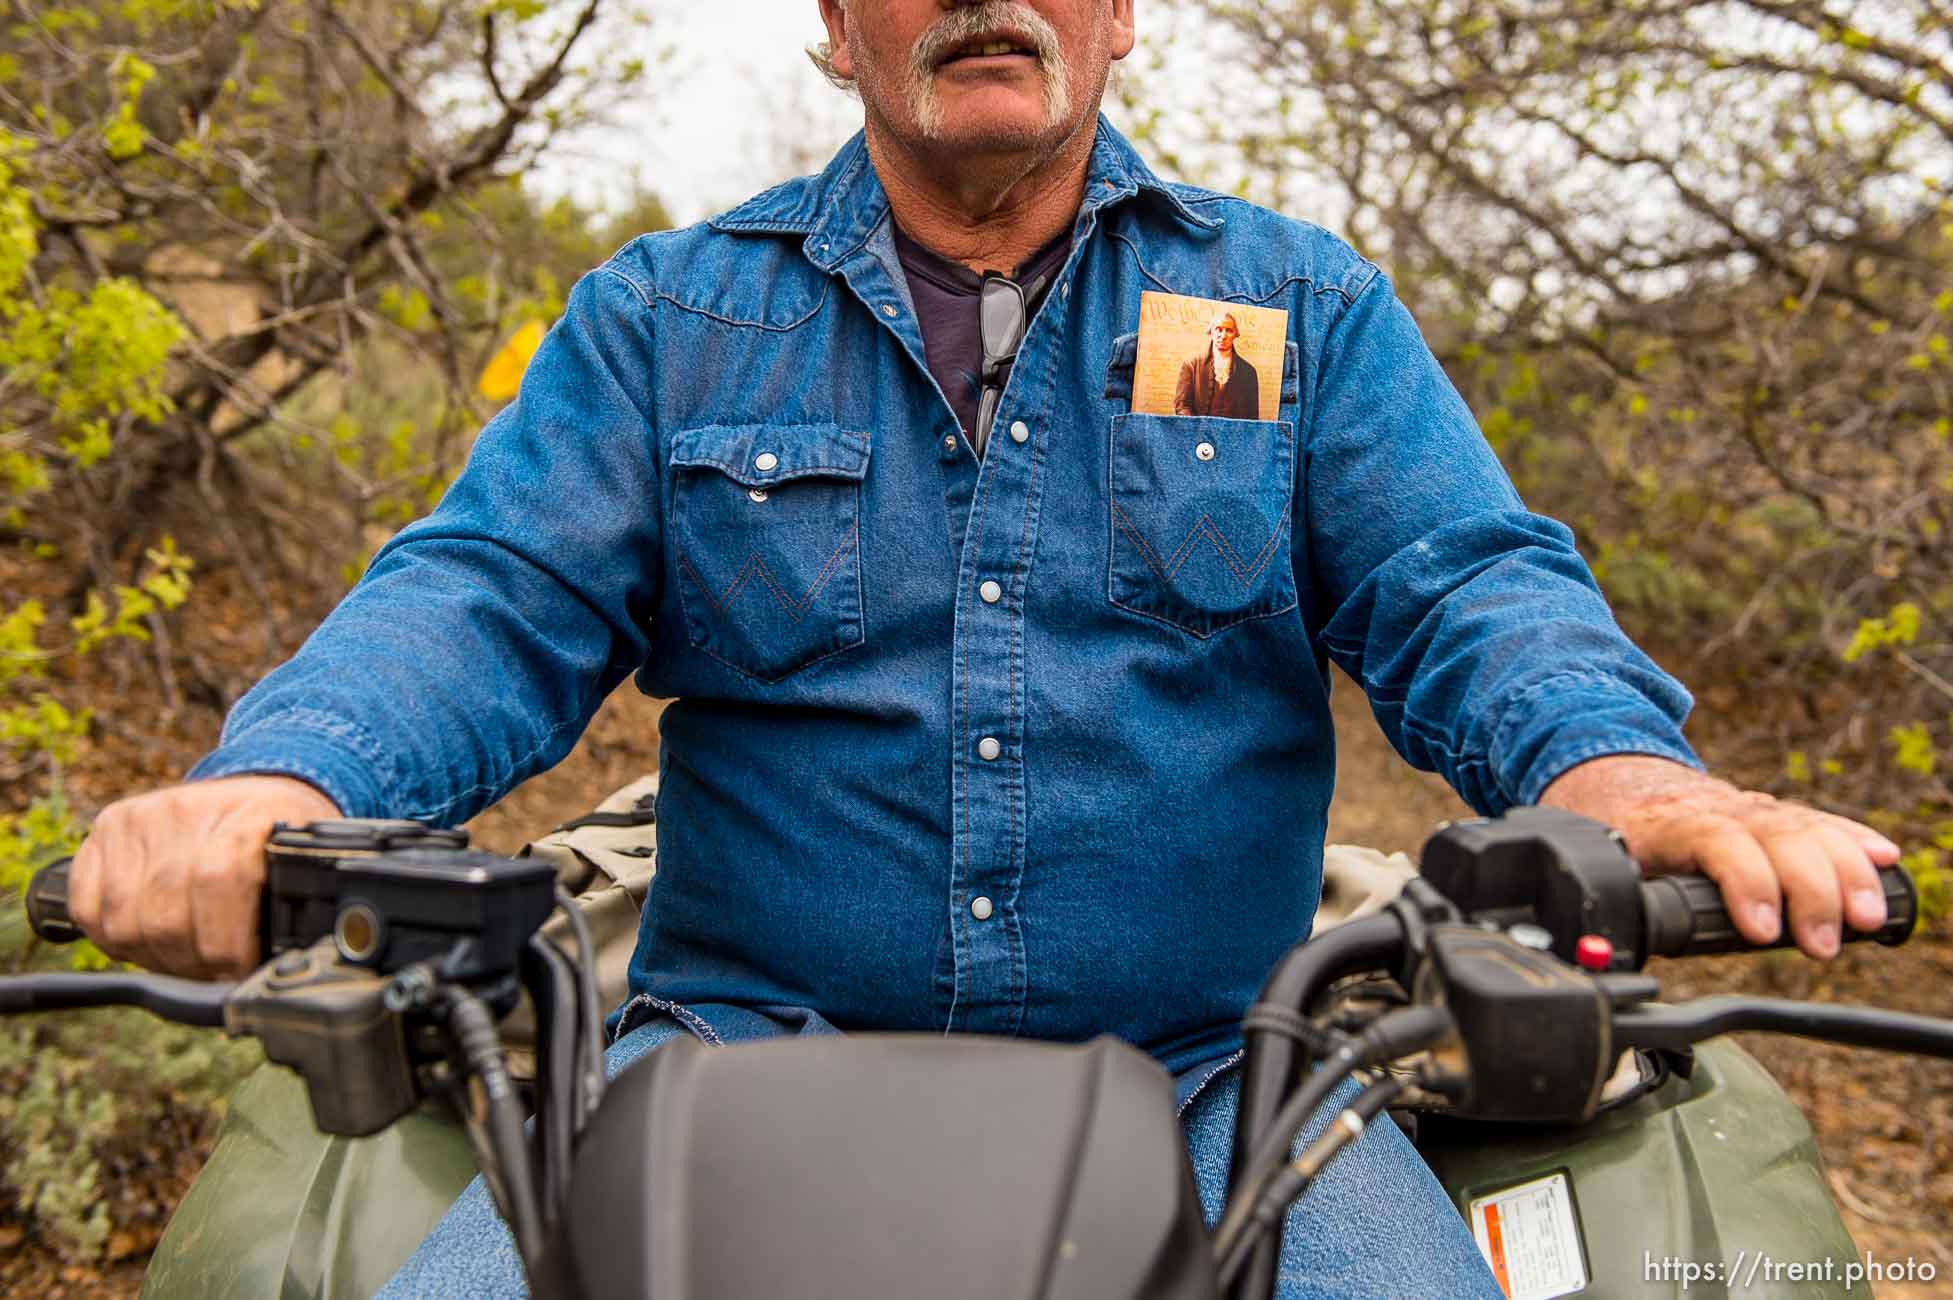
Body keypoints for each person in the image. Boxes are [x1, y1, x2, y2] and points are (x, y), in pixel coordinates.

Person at [67, 1, 1901, 1294]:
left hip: (1219, 1066)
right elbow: (484, 595)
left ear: (1116, 19)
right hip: (719, 1049)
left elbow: (1458, 582)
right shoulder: (668, 321)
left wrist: (1622, 777)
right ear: (831, 24)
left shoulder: (1286, 307)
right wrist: (275, 784)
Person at [1174, 309, 1260, 418]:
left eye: (1229, 330)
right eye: (1218, 329)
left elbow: (1252, 417)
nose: (1223, 336)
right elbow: (1182, 406)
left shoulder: (1249, 372)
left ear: (1235, 335)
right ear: (1211, 332)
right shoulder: (1191, 366)